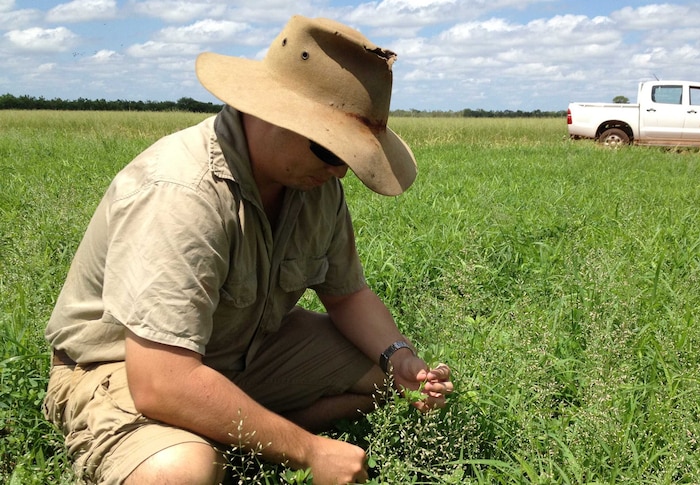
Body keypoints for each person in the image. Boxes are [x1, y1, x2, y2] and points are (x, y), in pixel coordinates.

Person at [42, 15, 453, 485]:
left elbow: (347, 295)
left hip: (244, 349)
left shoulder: (313, 182)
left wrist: (399, 358)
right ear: (269, 111)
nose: (340, 172)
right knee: (181, 471)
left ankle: (230, 427)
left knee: (386, 382)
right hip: (122, 368)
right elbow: (160, 380)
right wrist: (310, 453)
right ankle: (217, 438)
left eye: (350, 156)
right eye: (330, 149)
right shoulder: (181, 191)